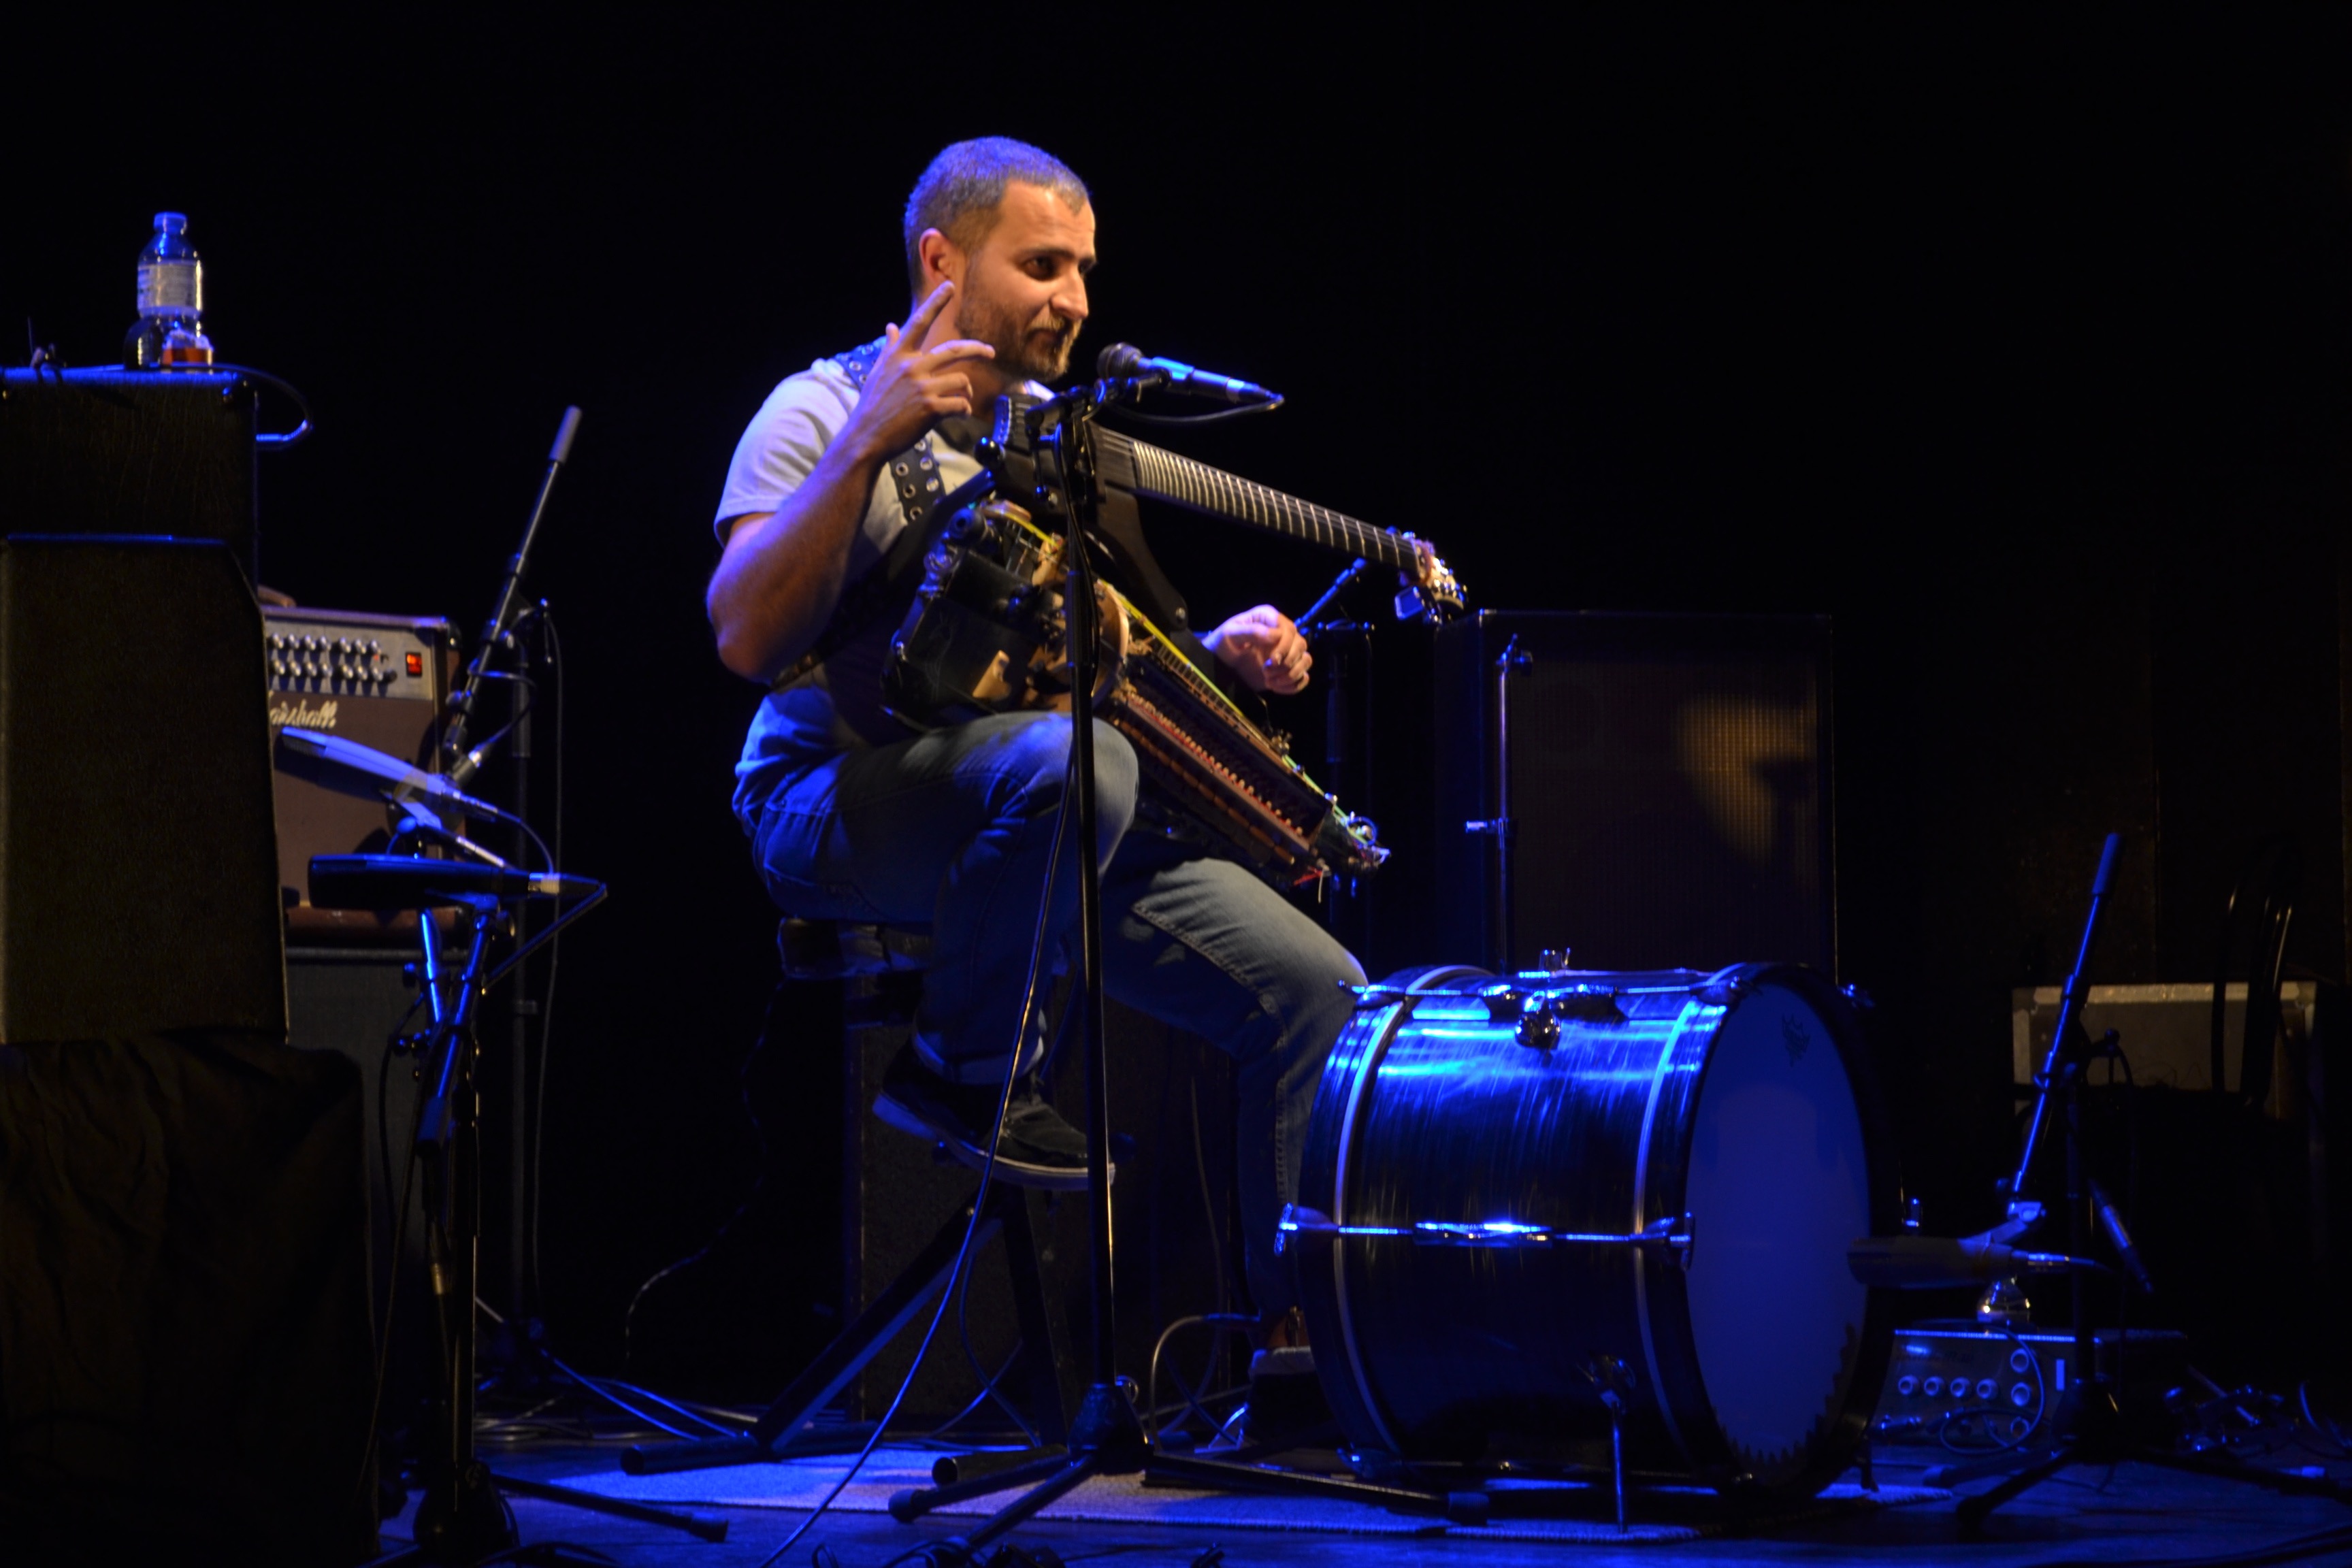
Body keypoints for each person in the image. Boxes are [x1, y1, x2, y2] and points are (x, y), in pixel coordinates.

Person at [705, 137, 1363, 1333]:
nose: (1077, 301)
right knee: (1079, 764)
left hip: (1047, 807)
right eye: (1045, 265)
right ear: (941, 261)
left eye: (1085, 270)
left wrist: (1220, 651)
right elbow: (745, 635)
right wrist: (868, 441)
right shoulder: (815, 406)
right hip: (829, 799)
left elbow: (1119, 648)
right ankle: (964, 1071)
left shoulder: (1061, 437)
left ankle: (1294, 1368)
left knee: (1318, 989)